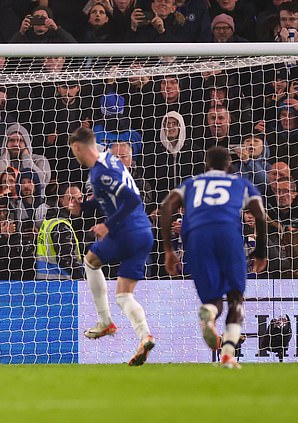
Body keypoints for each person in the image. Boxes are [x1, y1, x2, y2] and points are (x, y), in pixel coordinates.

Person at [159, 146, 267, 369]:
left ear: (205, 166)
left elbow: (167, 206)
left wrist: (168, 250)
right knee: (236, 297)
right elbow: (259, 214)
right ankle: (228, 354)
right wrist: (261, 250)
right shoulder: (239, 183)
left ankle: (209, 313)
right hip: (228, 234)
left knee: (213, 300)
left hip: (197, 238)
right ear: (230, 166)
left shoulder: (191, 184)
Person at [69, 127, 155, 367]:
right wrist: (84, 208)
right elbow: (111, 196)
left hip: (125, 231)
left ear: (77, 148)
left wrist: (108, 225)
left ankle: (105, 321)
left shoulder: (99, 173)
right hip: (144, 233)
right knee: (124, 295)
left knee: (90, 261)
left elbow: (132, 199)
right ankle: (145, 337)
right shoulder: (111, 160)